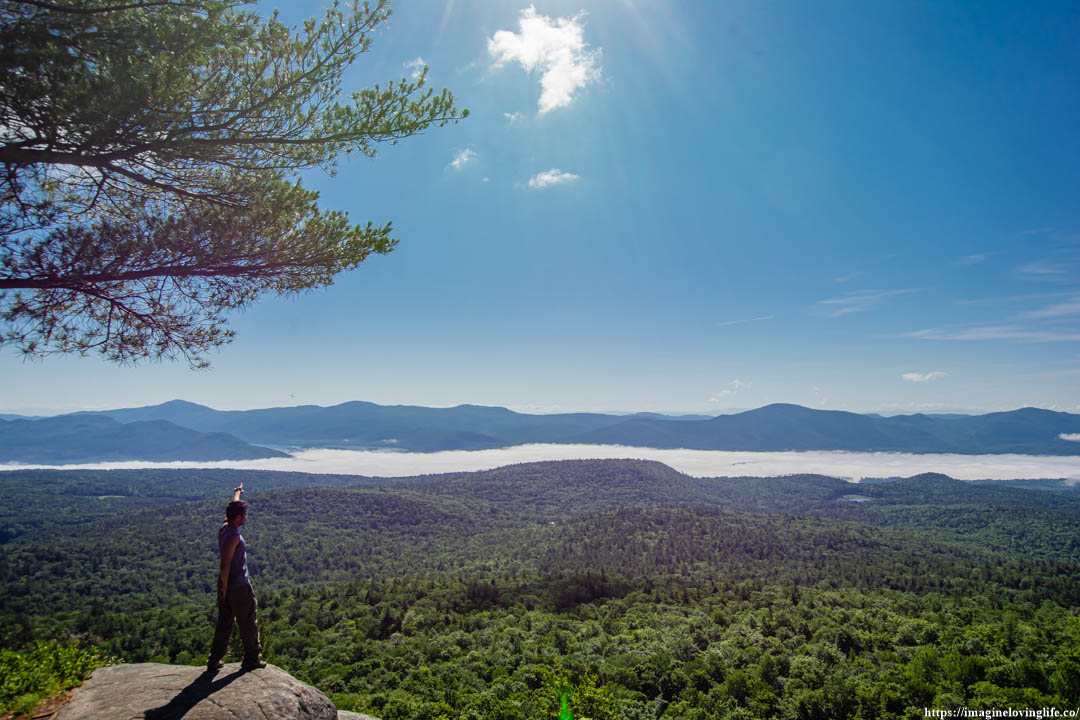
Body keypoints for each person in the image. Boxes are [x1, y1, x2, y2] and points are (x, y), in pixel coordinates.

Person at [206, 482, 265, 672]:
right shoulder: (233, 537)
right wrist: (225, 586)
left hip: (226, 584)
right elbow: (225, 563)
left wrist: (237, 494)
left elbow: (231, 509)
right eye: (244, 515)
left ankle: (214, 660)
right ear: (238, 518)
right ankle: (251, 659)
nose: (246, 517)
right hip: (237, 586)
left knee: (224, 623)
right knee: (247, 622)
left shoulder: (225, 525)